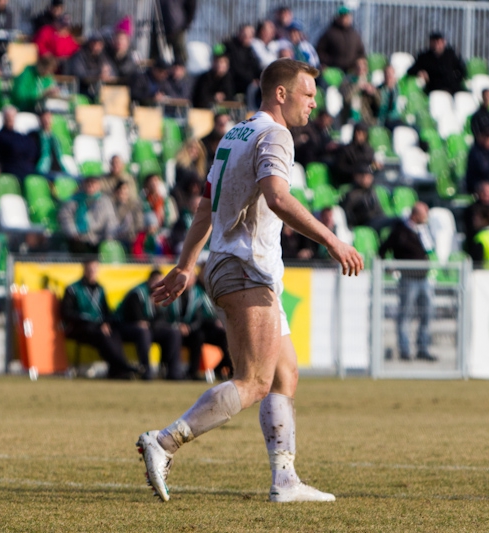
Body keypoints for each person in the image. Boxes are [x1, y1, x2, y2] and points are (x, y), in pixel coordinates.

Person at [138, 58, 363, 504]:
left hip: (234, 264)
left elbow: (206, 205)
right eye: (308, 94)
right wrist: (332, 241)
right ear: (281, 93)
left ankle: (285, 481)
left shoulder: (234, 134)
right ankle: (164, 441)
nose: (314, 103)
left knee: (285, 374)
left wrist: (186, 265)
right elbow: (278, 197)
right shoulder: (274, 135)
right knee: (255, 381)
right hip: (245, 265)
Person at [60, 258, 138, 380]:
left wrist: (106, 323)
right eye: (89, 269)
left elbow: (106, 311)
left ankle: (117, 370)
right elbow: (67, 313)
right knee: (101, 334)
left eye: (94, 269)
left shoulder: (100, 289)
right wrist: (92, 322)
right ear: (84, 270)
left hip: (98, 327)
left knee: (114, 333)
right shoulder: (72, 289)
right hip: (79, 328)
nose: (92, 272)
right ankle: (124, 366)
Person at [378, 202, 436, 362]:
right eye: (424, 215)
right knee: (406, 314)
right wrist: (389, 267)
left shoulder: (423, 231)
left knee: (427, 313)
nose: (426, 218)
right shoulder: (400, 231)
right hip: (408, 279)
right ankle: (405, 349)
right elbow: (383, 249)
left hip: (424, 277)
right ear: (415, 215)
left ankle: (422, 348)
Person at [117, 270, 183, 380]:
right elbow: (135, 317)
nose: (160, 284)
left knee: (173, 333)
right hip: (129, 327)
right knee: (143, 332)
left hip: (151, 327)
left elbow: (164, 317)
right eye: (157, 281)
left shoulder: (164, 294)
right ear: (150, 281)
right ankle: (146, 370)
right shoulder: (137, 293)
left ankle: (172, 371)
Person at [179, 268, 231, 381]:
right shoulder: (193, 292)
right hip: (196, 329)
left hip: (205, 328)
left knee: (226, 337)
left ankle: (225, 367)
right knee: (198, 337)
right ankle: (193, 372)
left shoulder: (213, 290)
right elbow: (199, 316)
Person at [58, 175, 118, 254]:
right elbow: (65, 217)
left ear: (98, 185)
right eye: (88, 183)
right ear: (83, 185)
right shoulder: (74, 200)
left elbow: (111, 220)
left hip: (98, 238)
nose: (90, 186)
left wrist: (109, 237)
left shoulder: (105, 201)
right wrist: (73, 233)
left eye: (93, 183)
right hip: (78, 239)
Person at [315, 5, 366, 73]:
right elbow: (320, 51)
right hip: (333, 70)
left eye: (347, 16)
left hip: (351, 71)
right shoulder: (329, 33)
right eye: (342, 16)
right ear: (337, 17)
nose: (345, 19)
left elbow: (361, 52)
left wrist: (359, 63)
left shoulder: (355, 34)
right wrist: (328, 62)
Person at [0, 106, 37, 181]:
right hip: (11, 169)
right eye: (8, 116)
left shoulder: (20, 136)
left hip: (27, 168)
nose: (10, 119)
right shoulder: (0, 135)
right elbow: (13, 149)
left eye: (12, 116)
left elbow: (32, 148)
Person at [68, 33, 114, 100]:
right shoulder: (80, 55)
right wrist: (98, 74)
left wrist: (108, 74)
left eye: (99, 44)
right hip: (81, 91)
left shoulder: (104, 56)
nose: (96, 46)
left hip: (100, 91)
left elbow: (113, 71)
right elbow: (79, 74)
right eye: (94, 43)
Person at [339, 166, 388, 230]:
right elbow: (346, 215)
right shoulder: (352, 195)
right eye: (364, 175)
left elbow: (379, 210)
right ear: (356, 176)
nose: (367, 178)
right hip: (365, 223)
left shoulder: (372, 192)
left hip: (376, 220)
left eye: (369, 176)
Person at [29, 110, 71, 178]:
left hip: (58, 170)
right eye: (44, 119)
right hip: (44, 171)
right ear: (40, 120)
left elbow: (59, 157)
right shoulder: (34, 137)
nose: (47, 121)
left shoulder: (55, 138)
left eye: (49, 118)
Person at [332, 122, 376, 186]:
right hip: (348, 180)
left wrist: (375, 167)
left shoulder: (369, 150)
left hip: (367, 181)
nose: (359, 135)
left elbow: (370, 166)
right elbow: (339, 168)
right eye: (357, 132)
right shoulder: (345, 150)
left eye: (362, 133)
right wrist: (356, 172)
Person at [463, 181, 489, 255]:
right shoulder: (472, 210)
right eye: (485, 192)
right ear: (479, 193)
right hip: (476, 246)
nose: (488, 195)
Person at [339, 57, 379, 125]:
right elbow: (346, 98)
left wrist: (373, 92)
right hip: (349, 117)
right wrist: (358, 86)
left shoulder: (371, 81)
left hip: (365, 118)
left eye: (363, 68)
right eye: (358, 67)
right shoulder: (347, 81)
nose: (361, 70)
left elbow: (379, 103)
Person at [225, 24, 262, 97]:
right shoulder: (230, 47)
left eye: (250, 35)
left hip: (250, 82)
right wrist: (251, 80)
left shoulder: (250, 50)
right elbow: (235, 68)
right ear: (239, 33)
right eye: (244, 34)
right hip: (236, 82)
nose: (247, 37)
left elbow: (255, 66)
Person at [158, 0, 197, 65]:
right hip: (158, 28)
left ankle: (180, 72)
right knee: (157, 58)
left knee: (180, 57)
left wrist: (186, 25)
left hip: (177, 28)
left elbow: (191, 6)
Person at [112, 180, 143, 249]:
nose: (122, 192)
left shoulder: (135, 205)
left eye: (125, 190)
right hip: (115, 238)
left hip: (131, 238)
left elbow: (139, 223)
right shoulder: (111, 205)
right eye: (120, 191)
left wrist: (135, 236)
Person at [376, 65, 404, 130]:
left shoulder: (397, 89)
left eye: (391, 74)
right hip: (385, 119)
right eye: (387, 74)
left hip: (396, 118)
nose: (389, 76)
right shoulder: (379, 90)